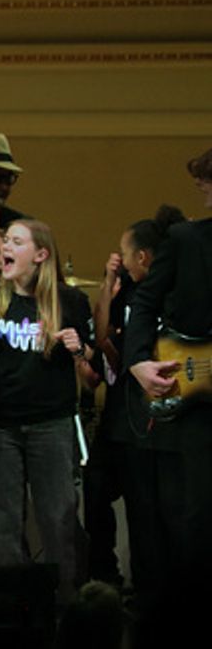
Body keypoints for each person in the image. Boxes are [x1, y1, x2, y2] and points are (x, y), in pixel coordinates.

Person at [0, 219, 93, 603]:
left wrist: (78, 348)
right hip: (4, 424)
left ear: (40, 255)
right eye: (5, 240)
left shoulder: (69, 301)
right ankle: (14, 605)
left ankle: (65, 605)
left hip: (51, 423)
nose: (6, 247)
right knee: (3, 522)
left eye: (16, 242)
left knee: (58, 519)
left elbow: (93, 369)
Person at [90, 205, 185, 608]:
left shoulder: (172, 293)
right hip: (117, 416)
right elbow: (104, 336)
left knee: (146, 509)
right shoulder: (128, 289)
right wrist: (110, 279)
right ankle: (103, 574)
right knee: (96, 493)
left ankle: (152, 590)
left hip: (150, 421)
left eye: (124, 255)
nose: (122, 260)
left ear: (143, 256)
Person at [126, 146, 212, 588]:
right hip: (199, 403)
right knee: (196, 520)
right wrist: (138, 360)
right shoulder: (186, 240)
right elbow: (144, 302)